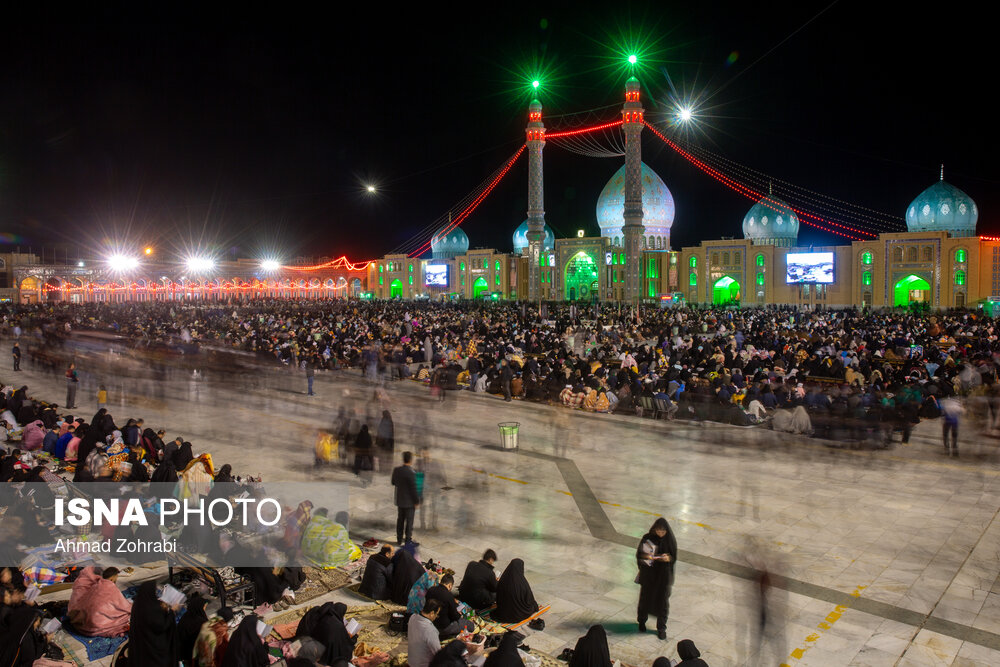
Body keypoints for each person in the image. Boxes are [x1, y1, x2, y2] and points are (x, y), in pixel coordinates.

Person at [636, 517, 677, 640]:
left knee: (663, 603)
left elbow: (673, 557)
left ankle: (661, 628)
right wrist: (648, 557)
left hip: (663, 578)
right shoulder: (647, 539)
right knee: (645, 600)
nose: (660, 533)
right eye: (658, 531)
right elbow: (639, 555)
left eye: (663, 531)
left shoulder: (670, 541)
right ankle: (642, 621)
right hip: (649, 576)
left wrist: (668, 558)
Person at [66, 566, 132, 637]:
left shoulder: (95, 585)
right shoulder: (111, 588)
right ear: (112, 578)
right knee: (125, 616)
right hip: (96, 624)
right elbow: (123, 606)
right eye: (116, 577)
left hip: (84, 622)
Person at [128, 581, 179, 667]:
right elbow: (163, 626)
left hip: (141, 645)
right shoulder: (153, 608)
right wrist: (172, 612)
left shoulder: (137, 604)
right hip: (153, 650)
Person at [493, 558, 538, 624]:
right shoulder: (522, 583)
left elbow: (498, 597)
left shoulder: (503, 579)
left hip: (504, 613)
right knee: (533, 605)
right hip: (519, 614)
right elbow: (529, 599)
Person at [391, 451, 420, 545]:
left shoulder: (397, 470)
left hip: (400, 500)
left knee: (400, 520)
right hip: (409, 502)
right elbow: (413, 489)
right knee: (409, 521)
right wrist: (416, 501)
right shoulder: (412, 473)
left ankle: (399, 539)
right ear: (411, 460)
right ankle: (408, 540)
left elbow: (393, 482)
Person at [407, 598, 442, 667]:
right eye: (436, 614)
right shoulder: (430, 629)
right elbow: (438, 654)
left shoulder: (412, 617)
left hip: (411, 661)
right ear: (432, 613)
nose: (436, 617)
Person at [177, 594, 209, 666]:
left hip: (183, 653)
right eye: (204, 607)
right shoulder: (201, 622)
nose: (204, 609)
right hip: (194, 655)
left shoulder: (186, 616)